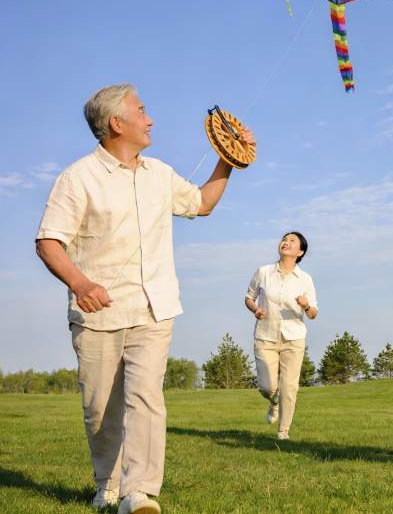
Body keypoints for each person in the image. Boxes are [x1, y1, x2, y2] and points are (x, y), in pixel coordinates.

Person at [35, 83, 255, 513]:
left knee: (146, 397)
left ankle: (139, 492)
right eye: (142, 111)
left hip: (156, 307)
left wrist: (227, 158)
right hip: (98, 313)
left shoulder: (159, 173)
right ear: (117, 123)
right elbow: (48, 242)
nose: (150, 119)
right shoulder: (78, 177)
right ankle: (107, 483)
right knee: (101, 409)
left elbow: (202, 204)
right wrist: (80, 284)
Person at [244, 231, 318, 440]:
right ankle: (274, 401)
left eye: (292, 241)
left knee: (289, 387)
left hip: (293, 338)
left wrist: (306, 305)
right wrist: (255, 309)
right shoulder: (264, 272)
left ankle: (283, 432)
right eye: (284, 239)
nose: (286, 242)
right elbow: (249, 298)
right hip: (265, 335)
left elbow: (313, 313)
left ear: (300, 252)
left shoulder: (305, 279)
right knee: (266, 387)